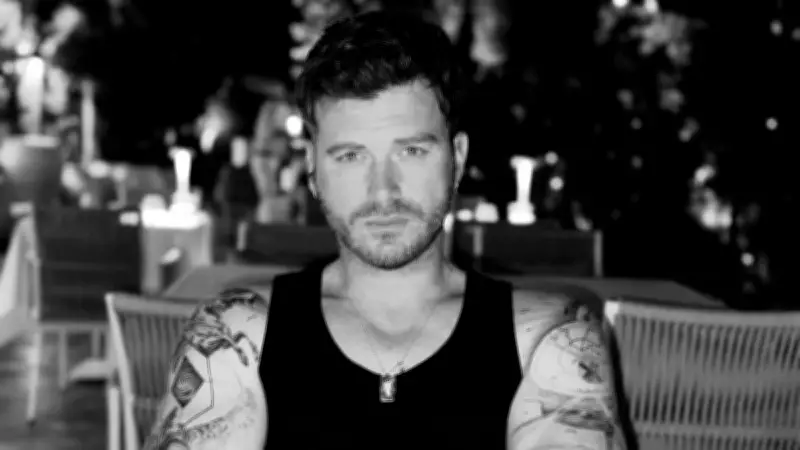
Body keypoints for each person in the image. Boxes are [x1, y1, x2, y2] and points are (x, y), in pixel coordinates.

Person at [144, 10, 630, 450]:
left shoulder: (549, 339)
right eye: (351, 156)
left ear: (457, 158)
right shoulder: (235, 336)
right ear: (312, 168)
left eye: (412, 151)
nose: (383, 190)